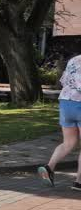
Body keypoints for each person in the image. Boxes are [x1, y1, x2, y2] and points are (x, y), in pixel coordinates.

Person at [39, 54, 81, 191]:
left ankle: (49, 167)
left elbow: (64, 80)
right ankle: (78, 182)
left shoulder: (74, 59)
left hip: (66, 103)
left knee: (68, 143)